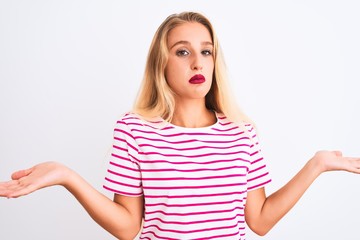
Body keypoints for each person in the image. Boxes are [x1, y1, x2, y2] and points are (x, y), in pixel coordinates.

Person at [0, 11, 359, 240]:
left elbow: (260, 221)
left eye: (206, 51)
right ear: (162, 62)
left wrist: (317, 166)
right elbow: (128, 227)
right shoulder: (134, 130)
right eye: (183, 51)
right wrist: (67, 176)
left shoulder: (241, 133)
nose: (197, 62)